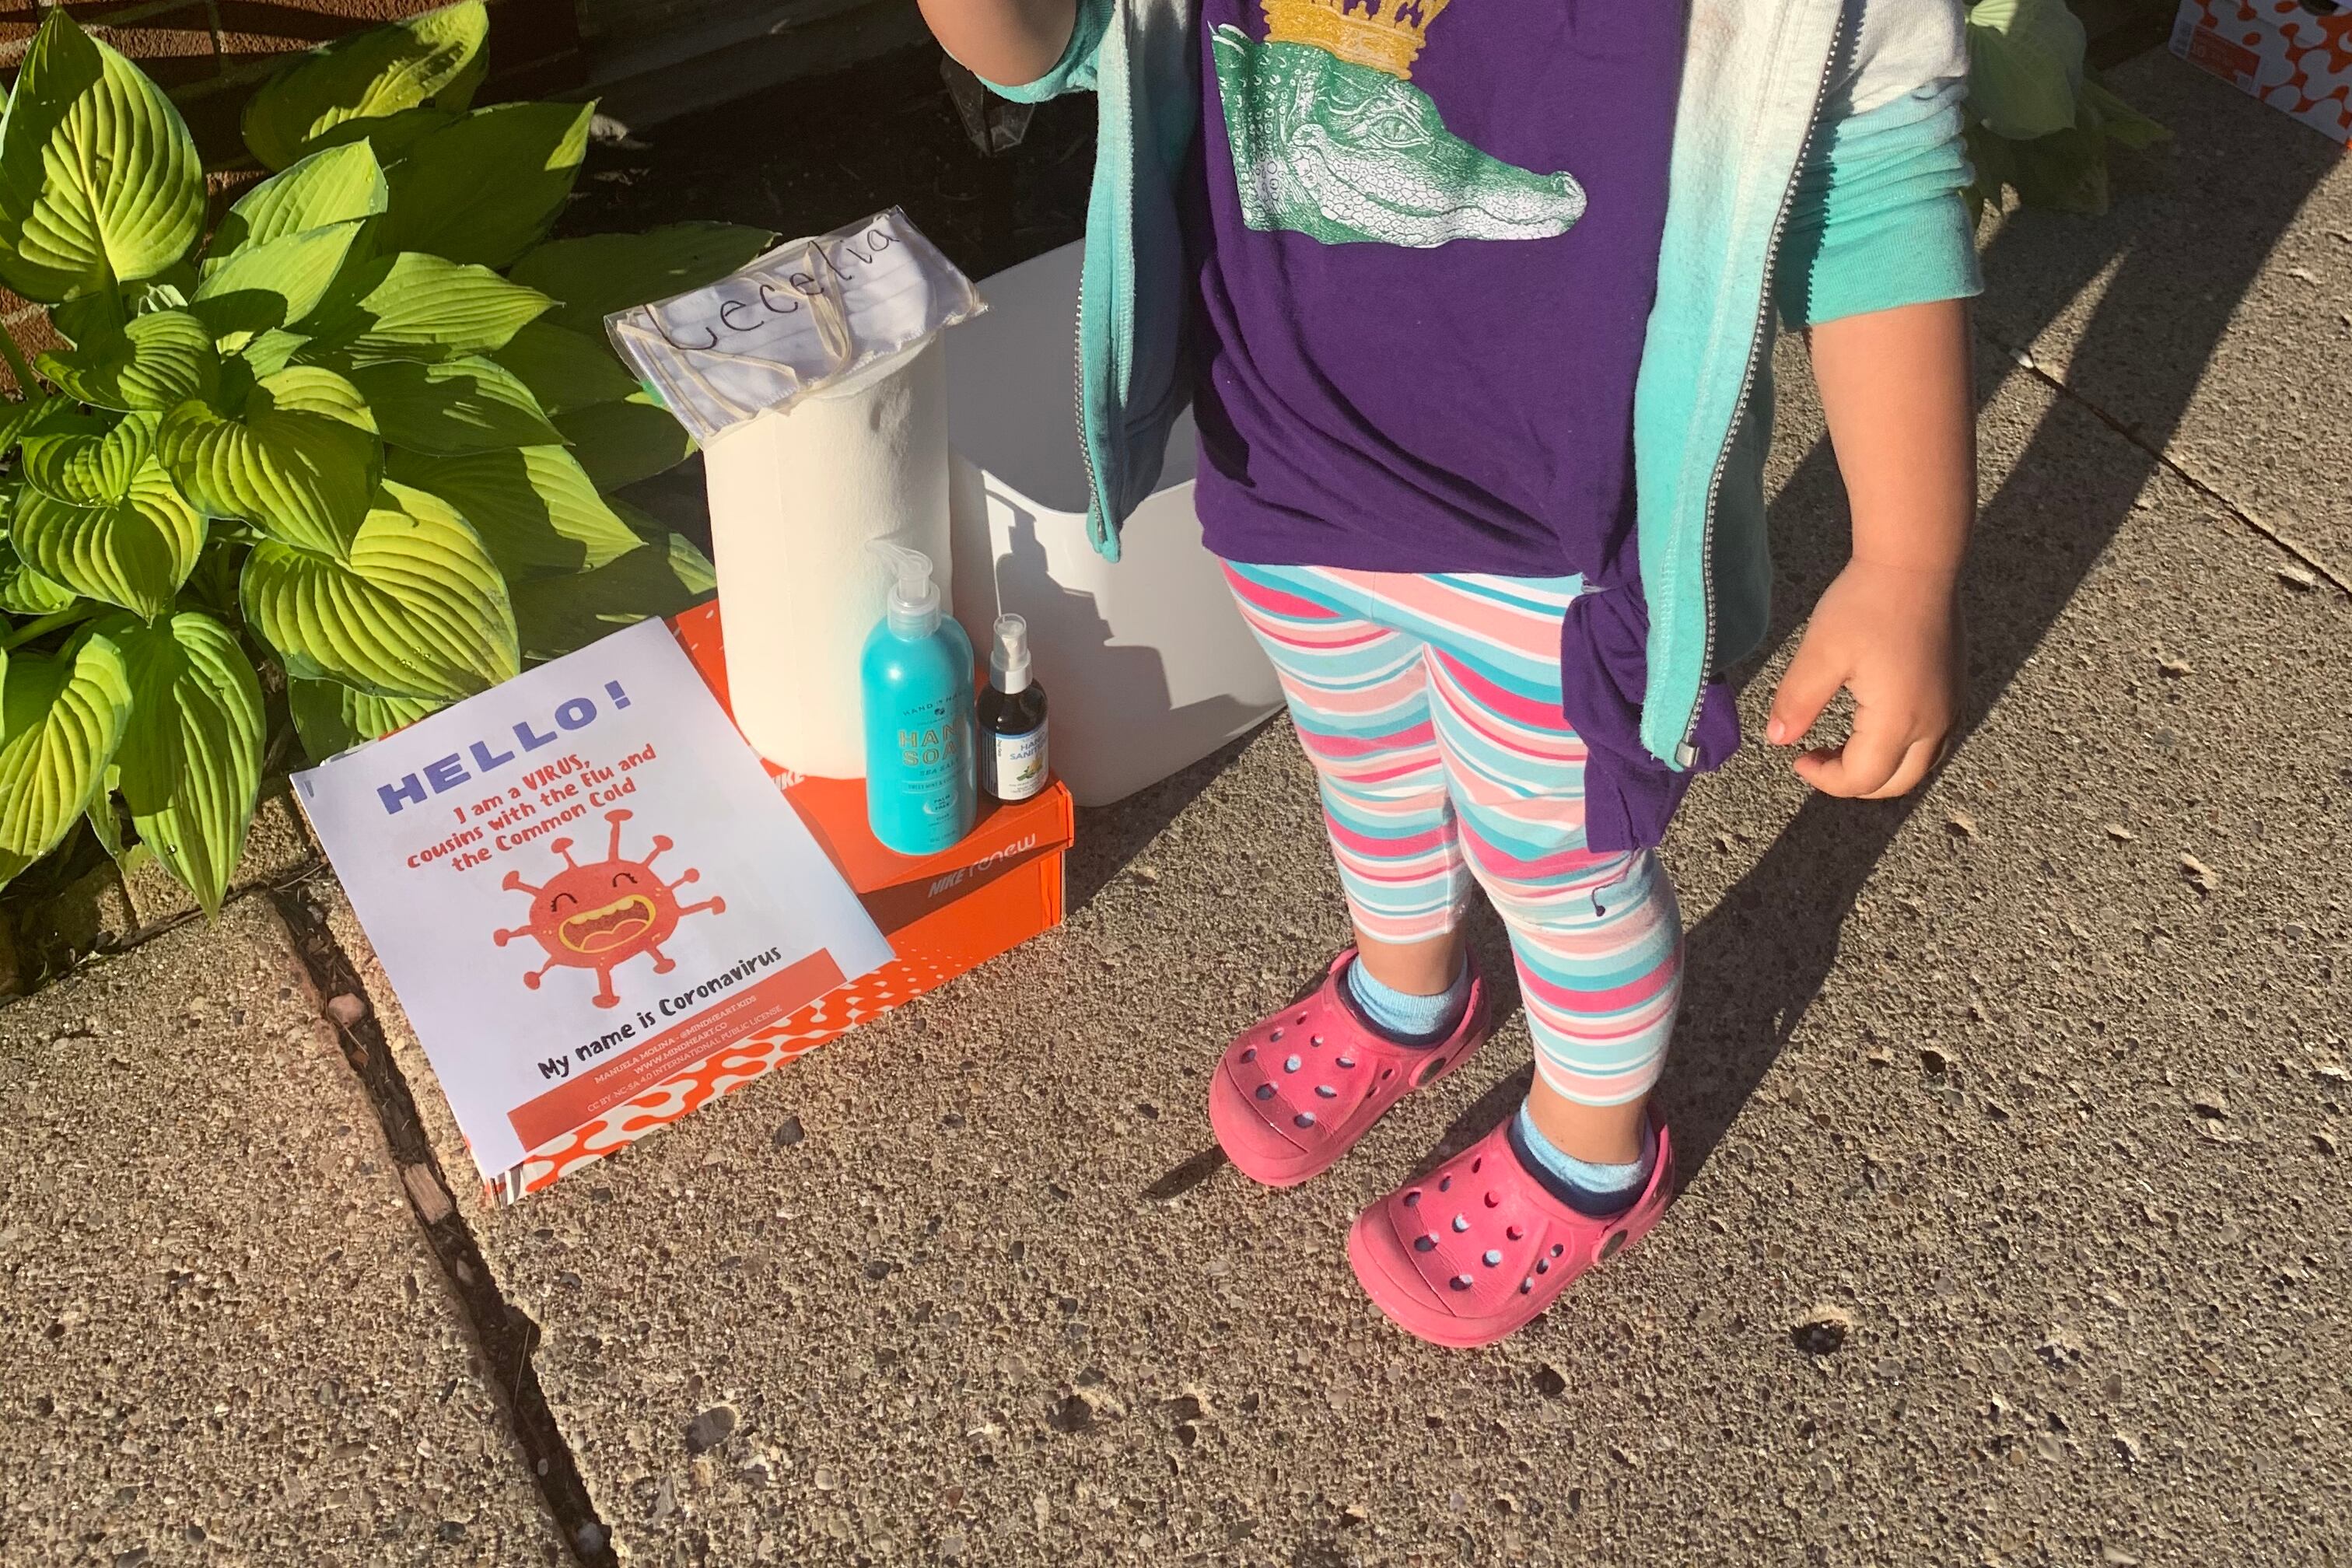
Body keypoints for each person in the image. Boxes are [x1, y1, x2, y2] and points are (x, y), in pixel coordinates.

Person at [919, 0, 1979, 1346]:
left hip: (1557, 537)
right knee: (1365, 765)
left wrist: (1907, 558)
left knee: (1557, 863)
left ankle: (1592, 1149)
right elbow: (1060, 40)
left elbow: (1873, 167)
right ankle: (1407, 986)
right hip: (1283, 467)